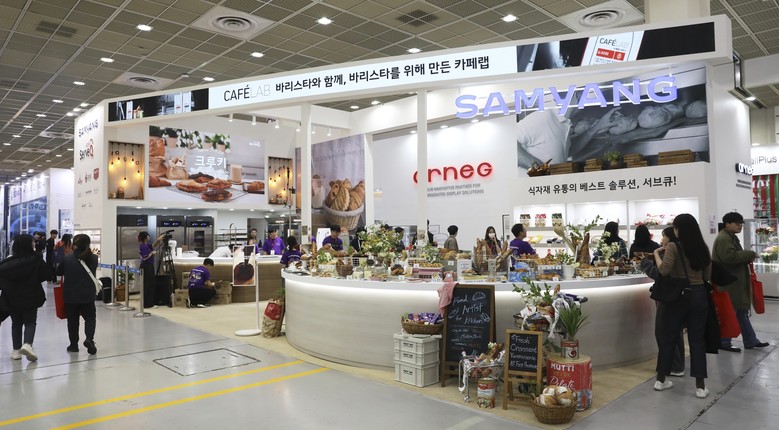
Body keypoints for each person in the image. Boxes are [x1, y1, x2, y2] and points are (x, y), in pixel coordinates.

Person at [652, 213, 712, 399]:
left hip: (678, 296)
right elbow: (707, 276)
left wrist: (656, 254)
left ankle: (660, 380)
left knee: (669, 337)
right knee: (697, 340)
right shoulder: (702, 247)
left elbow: (664, 270)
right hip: (699, 294)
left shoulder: (673, 246)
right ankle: (700, 387)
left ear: (678, 229)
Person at [711, 212, 769, 352]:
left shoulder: (730, 237)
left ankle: (750, 340)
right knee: (731, 312)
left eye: (741, 223)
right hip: (729, 283)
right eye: (737, 223)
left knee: (741, 312)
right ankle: (724, 342)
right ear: (727, 224)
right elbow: (729, 257)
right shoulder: (724, 239)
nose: (740, 226)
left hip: (734, 282)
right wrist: (750, 254)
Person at [640, 227, 685, 378]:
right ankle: (675, 365)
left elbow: (660, 274)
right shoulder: (682, 249)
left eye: (664, 236)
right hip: (677, 296)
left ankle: (673, 366)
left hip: (668, 297)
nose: (662, 239)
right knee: (673, 332)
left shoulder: (670, 251)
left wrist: (647, 263)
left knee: (664, 332)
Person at [0, 234, 48, 361]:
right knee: (30, 322)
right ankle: (27, 344)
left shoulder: (7, 263)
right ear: (29, 245)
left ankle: (16, 351)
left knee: (16, 323)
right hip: (31, 296)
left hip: (12, 298)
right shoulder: (36, 259)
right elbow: (46, 275)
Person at [56, 234, 99, 355]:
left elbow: (58, 272)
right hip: (88, 294)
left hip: (71, 295)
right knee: (90, 318)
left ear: (74, 244)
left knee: (72, 320)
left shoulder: (67, 258)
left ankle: (73, 345)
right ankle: (89, 339)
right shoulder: (94, 258)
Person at [138, 231, 164, 309]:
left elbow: (153, 245)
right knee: (148, 285)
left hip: (149, 266)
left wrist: (159, 239)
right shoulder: (143, 246)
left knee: (151, 284)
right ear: (145, 237)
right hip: (146, 266)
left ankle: (150, 302)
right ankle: (147, 304)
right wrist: (152, 253)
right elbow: (144, 258)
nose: (149, 237)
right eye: (148, 236)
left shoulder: (146, 245)